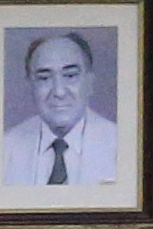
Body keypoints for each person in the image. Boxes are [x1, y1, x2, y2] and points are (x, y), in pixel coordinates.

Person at [7, 31, 118, 191]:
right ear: (30, 85)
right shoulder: (5, 148)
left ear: (90, 82)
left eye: (70, 76)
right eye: (44, 78)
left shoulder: (121, 147)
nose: (59, 92)